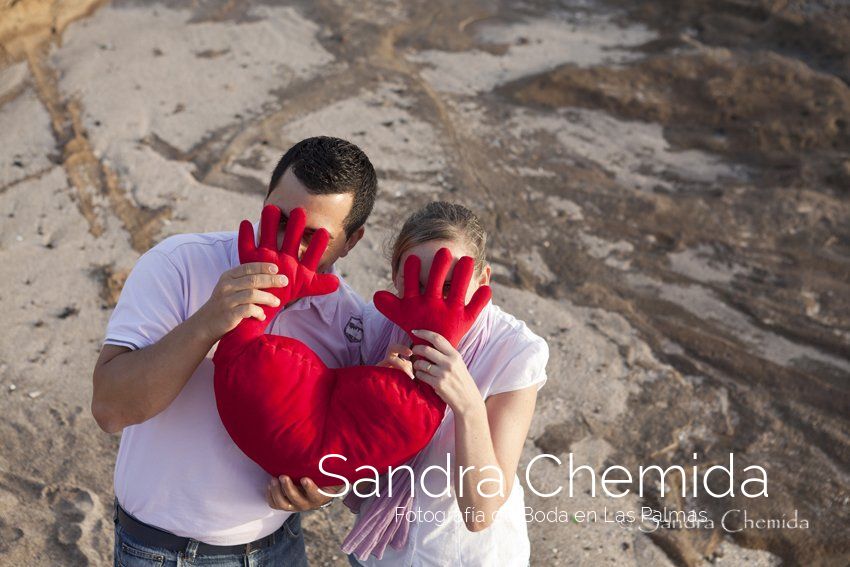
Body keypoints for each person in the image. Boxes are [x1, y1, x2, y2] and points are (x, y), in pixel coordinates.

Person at [91, 136, 377, 566]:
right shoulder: (179, 264)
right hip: (157, 551)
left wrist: (323, 489)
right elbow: (110, 409)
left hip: (275, 550)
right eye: (279, 218)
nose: (287, 241)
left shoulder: (351, 324)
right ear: (263, 199)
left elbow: (349, 449)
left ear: (350, 242)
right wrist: (209, 321)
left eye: (312, 236)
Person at [267, 202, 549, 565]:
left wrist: (467, 404)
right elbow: (351, 445)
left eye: (449, 284)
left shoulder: (515, 350)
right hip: (380, 554)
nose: (432, 296)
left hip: (463, 556)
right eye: (417, 282)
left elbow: (481, 512)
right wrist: (374, 391)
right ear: (395, 276)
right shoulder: (374, 326)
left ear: (483, 279)